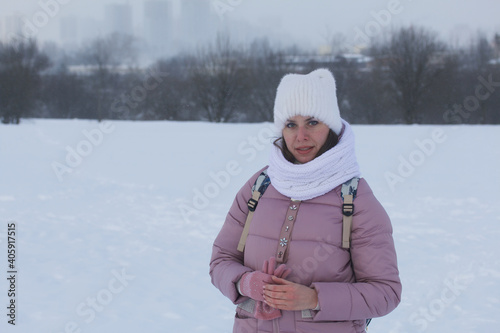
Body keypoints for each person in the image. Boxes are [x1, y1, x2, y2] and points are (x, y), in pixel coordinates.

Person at [209, 68, 401, 333]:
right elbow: (220, 261)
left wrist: (314, 298)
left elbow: (385, 292)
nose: (301, 136)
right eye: (291, 124)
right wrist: (245, 282)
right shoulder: (258, 187)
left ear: (330, 127)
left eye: (312, 122)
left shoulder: (355, 199)